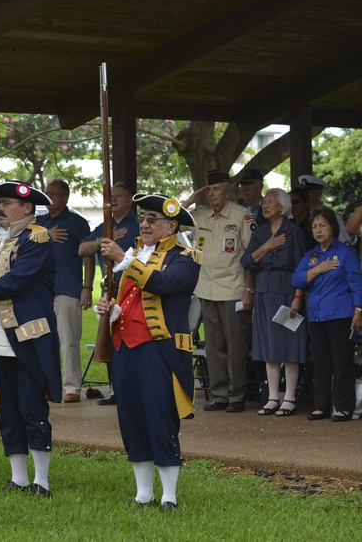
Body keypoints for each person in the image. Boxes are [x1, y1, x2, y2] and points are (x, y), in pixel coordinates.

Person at [94, 193, 200, 512]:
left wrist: (125, 260)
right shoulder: (138, 256)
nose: (144, 224)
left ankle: (168, 495)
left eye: (151, 220)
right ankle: (143, 494)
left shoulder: (187, 257)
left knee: (160, 418)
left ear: (171, 225)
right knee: (132, 420)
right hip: (126, 347)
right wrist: (112, 312)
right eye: (142, 219)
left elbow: (164, 284)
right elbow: (130, 299)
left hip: (159, 350)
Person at [0, 181, 61, 496]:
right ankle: (19, 478)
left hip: (27, 337)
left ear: (27, 209)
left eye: (7, 203)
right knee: (7, 410)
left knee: (32, 409)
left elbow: (15, 282)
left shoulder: (37, 238)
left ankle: (42, 481)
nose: (1, 208)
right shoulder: (3, 240)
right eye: (0, 203)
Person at [182, 170, 255, 413]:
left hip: (233, 289)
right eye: (208, 190)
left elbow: (251, 256)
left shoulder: (241, 215)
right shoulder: (199, 214)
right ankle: (219, 394)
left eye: (216, 190)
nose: (211, 194)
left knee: (235, 346)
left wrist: (248, 289)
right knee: (214, 346)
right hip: (206, 289)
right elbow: (169, 220)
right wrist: (190, 200)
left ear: (228, 191)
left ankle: (237, 396)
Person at [239, 189, 307, 417]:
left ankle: (289, 398)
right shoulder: (261, 233)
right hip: (264, 290)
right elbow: (246, 261)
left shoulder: (294, 232)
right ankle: (272, 397)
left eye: (270, 201)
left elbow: (301, 267)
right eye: (265, 201)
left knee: (290, 345)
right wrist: (266, 247)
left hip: (287, 289)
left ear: (282, 207)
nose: (265, 205)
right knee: (269, 346)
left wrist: (298, 296)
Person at [291, 207, 362, 422]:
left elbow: (357, 285)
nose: (318, 230)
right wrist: (317, 269)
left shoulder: (345, 252)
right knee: (321, 362)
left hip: (340, 315)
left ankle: (343, 407)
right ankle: (321, 406)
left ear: (332, 227)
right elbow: (297, 280)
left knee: (342, 363)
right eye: (314, 226)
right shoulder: (311, 255)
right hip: (316, 315)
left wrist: (358, 311)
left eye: (322, 225)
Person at [79, 182, 140, 406]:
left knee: (130, 338)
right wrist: (103, 238)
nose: (113, 199)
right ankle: (115, 390)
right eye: (110, 196)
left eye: (118, 196)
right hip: (110, 290)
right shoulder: (106, 225)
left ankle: (132, 390)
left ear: (129, 199)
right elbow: (82, 250)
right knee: (109, 338)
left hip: (134, 289)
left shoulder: (138, 224)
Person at [37, 178, 92, 403]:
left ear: (65, 197)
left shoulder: (78, 223)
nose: (49, 196)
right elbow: (22, 243)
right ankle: (50, 387)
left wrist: (87, 288)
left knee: (68, 340)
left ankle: (71, 388)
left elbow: (88, 255)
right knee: (43, 341)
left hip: (67, 289)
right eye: (47, 192)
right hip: (41, 291)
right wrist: (46, 235)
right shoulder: (38, 223)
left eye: (54, 193)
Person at [298, 174, 352, 244]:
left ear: (318, 193)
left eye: (308, 191)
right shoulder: (297, 214)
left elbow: (342, 241)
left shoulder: (331, 214)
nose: (304, 195)